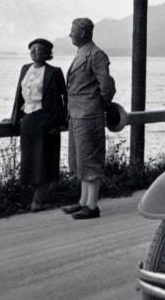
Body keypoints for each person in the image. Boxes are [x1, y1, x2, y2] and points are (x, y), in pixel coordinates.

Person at [62, 17, 116, 220]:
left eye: (73, 30)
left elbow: (107, 86)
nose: (70, 34)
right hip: (76, 114)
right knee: (79, 159)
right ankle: (83, 201)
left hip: (88, 114)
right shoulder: (82, 53)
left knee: (90, 159)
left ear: (83, 33)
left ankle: (92, 206)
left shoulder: (96, 55)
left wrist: (99, 104)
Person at [9, 38, 68, 212]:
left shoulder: (54, 72)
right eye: (32, 49)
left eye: (39, 49)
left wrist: (59, 120)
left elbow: (65, 98)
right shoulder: (25, 69)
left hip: (45, 119)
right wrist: (14, 116)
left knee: (44, 159)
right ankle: (34, 196)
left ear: (47, 53)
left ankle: (39, 199)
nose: (35, 52)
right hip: (27, 120)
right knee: (29, 159)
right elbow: (19, 95)